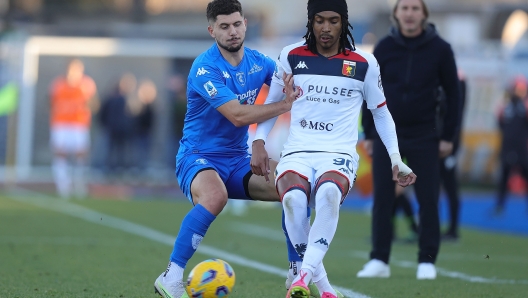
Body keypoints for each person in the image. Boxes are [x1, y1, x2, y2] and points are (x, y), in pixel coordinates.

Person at [153, 1, 326, 297]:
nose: (232, 32)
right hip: (197, 157)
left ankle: (297, 271)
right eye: (223, 26)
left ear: (245, 23)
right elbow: (237, 114)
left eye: (236, 24)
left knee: (294, 186)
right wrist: (284, 105)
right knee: (215, 196)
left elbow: (288, 79)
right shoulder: (204, 68)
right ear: (212, 31)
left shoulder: (259, 62)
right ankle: (171, 276)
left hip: (236, 159)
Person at [251, 0, 416, 296]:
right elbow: (271, 106)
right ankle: (325, 288)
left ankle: (302, 279)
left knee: (328, 194)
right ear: (311, 22)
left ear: (344, 23)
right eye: (319, 20)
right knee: (293, 203)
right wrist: (258, 143)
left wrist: (395, 157)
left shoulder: (364, 63)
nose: (326, 27)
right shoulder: (290, 56)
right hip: (297, 152)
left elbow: (380, 112)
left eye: (333, 20)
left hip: (338, 155)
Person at [358, 0, 460, 280]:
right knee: (383, 198)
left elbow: (454, 95)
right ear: (397, 14)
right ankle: (379, 259)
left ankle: (427, 261)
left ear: (424, 14)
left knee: (428, 198)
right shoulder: (385, 48)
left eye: (416, 8)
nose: (410, 13)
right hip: (387, 134)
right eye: (405, 8)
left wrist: (449, 136)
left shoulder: (441, 49)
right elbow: (369, 90)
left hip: (426, 133)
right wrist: (369, 132)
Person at [49, 59, 98, 199]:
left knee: (81, 154)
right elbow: (50, 102)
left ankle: (79, 183)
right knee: (60, 153)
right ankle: (63, 184)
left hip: (79, 124)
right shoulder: (57, 84)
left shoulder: (87, 85)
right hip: (61, 123)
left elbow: (94, 103)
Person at [494, 75, 528, 215]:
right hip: (507, 147)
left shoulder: (525, 107)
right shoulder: (505, 107)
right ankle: (500, 206)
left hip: (522, 149)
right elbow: (500, 123)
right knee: (504, 178)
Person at [439, 72, 467, 241]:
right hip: (436, 144)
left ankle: (453, 228)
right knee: (433, 188)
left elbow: (457, 116)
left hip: (449, 145)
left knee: (450, 187)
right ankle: (436, 226)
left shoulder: (457, 83)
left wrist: (453, 145)